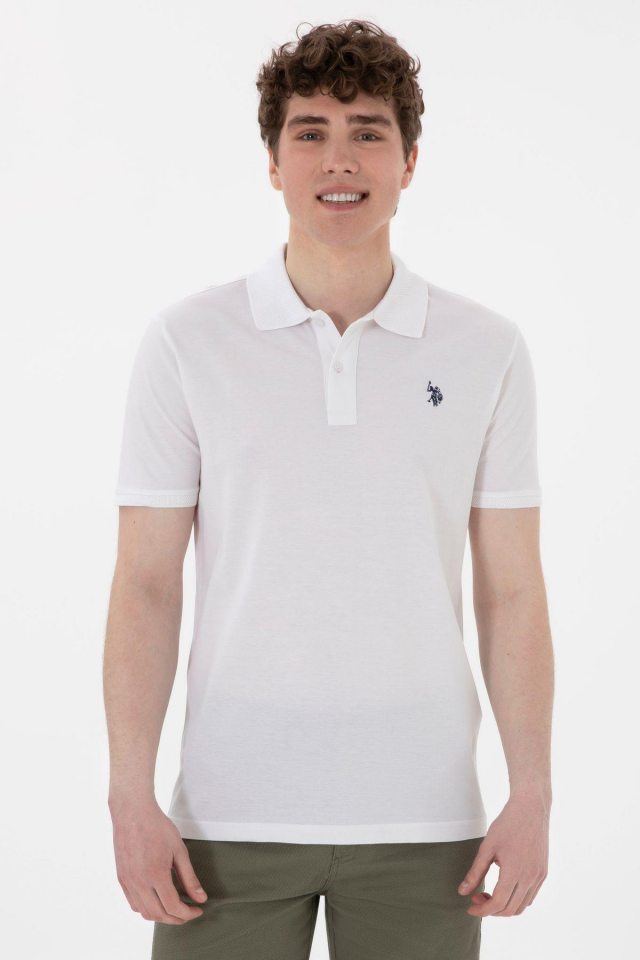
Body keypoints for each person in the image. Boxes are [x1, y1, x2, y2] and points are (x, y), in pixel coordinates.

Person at [103, 19, 554, 960]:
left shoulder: (487, 349)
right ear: (273, 163)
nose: (339, 159)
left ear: (410, 161)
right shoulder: (188, 342)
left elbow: (512, 588)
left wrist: (534, 790)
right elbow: (145, 580)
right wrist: (128, 793)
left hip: (428, 825)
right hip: (224, 821)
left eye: (368, 131)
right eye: (309, 131)